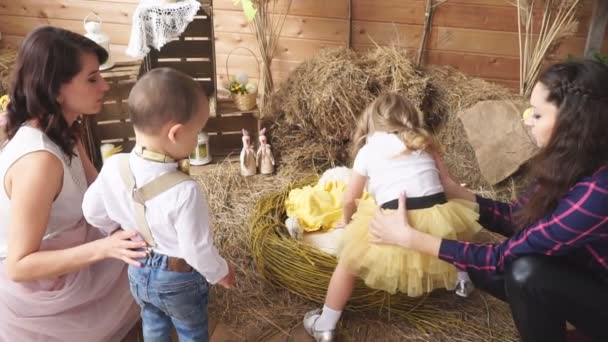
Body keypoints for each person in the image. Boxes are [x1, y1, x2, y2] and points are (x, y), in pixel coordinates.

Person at [369, 60, 608, 342]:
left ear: (573, 123)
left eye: (538, 115)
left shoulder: (598, 192)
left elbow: (502, 257)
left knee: (523, 272)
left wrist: (411, 238)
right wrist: (458, 193)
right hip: (585, 275)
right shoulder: (570, 162)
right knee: (487, 267)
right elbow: (520, 219)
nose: (526, 119)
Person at [303, 93, 482, 341]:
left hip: (394, 221)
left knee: (348, 263)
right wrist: (462, 195)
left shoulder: (367, 150)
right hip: (435, 217)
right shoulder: (424, 142)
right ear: (409, 117)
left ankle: (326, 323)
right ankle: (463, 278)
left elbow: (350, 199)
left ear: (372, 122)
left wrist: (347, 220)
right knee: (456, 226)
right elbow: (447, 182)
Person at [0, 26, 141, 341]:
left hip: (76, 240)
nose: (104, 86)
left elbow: (98, 192)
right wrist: (106, 247)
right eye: (92, 79)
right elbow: (19, 266)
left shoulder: (65, 129)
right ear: (56, 90)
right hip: (42, 288)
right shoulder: (39, 162)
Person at [82, 67, 235, 341]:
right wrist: (221, 272)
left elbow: (91, 211)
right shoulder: (185, 190)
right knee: (191, 332)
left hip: (138, 268)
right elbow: (196, 250)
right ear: (175, 134)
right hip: (178, 277)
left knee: (153, 325)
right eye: (197, 132)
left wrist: (117, 233)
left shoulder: (114, 165)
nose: (197, 138)